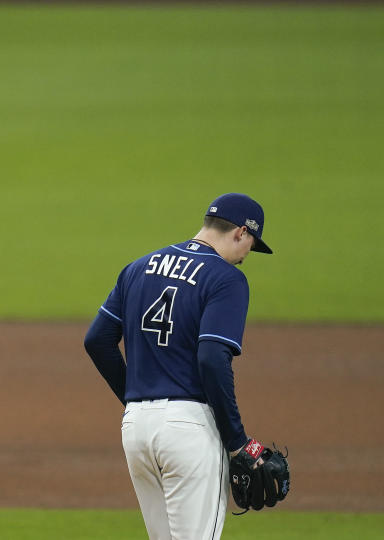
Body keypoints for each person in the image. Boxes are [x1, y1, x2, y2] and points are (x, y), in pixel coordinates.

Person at [83, 193, 274, 539]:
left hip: (137, 430)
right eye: (251, 244)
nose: (246, 257)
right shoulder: (226, 279)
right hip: (188, 432)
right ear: (241, 232)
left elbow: (97, 341)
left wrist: (135, 401)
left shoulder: (138, 268)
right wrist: (238, 442)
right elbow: (212, 359)